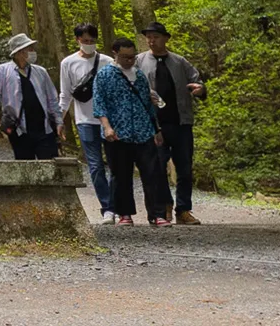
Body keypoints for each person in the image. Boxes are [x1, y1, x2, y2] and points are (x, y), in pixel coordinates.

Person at [92, 35, 172, 226]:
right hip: (118, 134)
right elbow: (99, 104)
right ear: (115, 54)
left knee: (153, 173)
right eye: (125, 57)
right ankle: (124, 213)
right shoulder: (104, 75)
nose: (130, 60)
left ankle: (157, 214)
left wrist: (156, 129)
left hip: (143, 132)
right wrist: (107, 127)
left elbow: (148, 104)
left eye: (132, 57)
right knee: (121, 175)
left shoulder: (140, 76)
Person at [142, 21, 204, 225]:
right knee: (157, 167)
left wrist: (200, 90)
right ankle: (164, 207)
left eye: (156, 37)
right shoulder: (139, 61)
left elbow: (198, 82)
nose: (152, 41)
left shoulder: (179, 62)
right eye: (149, 37)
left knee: (185, 168)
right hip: (154, 125)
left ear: (166, 38)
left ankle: (183, 209)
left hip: (180, 122)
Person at [60, 22, 117, 222]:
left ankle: (117, 204)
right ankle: (107, 207)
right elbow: (65, 94)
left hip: (109, 121)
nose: (89, 44)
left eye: (92, 41)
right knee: (95, 166)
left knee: (115, 164)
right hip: (84, 120)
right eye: (85, 41)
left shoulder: (108, 61)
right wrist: (60, 119)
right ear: (77, 40)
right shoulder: (68, 63)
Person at [0, 32, 61, 160]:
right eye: (29, 49)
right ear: (19, 52)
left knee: (51, 167)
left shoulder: (40, 72)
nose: (33, 52)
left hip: (44, 129)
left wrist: (58, 121)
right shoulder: (2, 71)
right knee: (26, 168)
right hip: (19, 130)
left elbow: (52, 98)